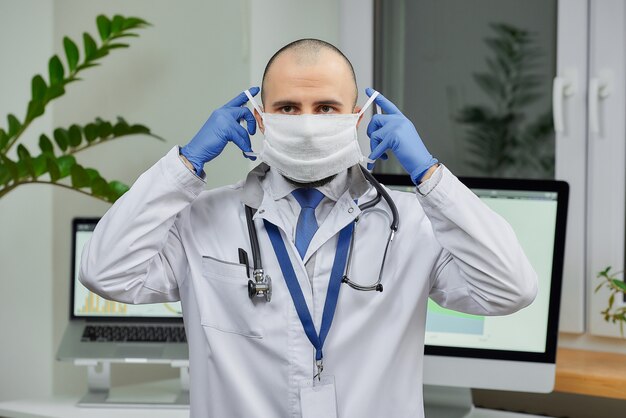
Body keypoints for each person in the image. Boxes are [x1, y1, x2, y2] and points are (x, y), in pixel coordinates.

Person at [80, 38, 537, 417]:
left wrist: (429, 174)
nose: (307, 125)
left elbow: (510, 289)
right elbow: (107, 271)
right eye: (288, 107)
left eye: (325, 107)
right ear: (259, 117)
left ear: (358, 116)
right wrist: (187, 163)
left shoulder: (412, 224)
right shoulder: (203, 220)